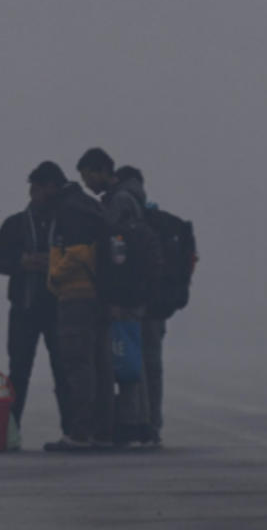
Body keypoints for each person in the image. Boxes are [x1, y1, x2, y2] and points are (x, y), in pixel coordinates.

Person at [0, 161, 68, 430]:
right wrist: (22, 262)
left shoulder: (68, 223)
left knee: (64, 373)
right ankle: (10, 431)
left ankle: (73, 430)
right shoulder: (15, 224)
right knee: (18, 373)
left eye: (51, 189)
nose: (43, 193)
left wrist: (56, 262)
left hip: (60, 310)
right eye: (40, 188)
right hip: (24, 309)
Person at [77, 149, 150, 446]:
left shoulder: (119, 201)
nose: (86, 185)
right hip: (134, 291)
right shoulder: (130, 197)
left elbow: (116, 248)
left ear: (100, 171)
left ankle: (131, 424)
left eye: (87, 177)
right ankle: (141, 422)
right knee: (133, 357)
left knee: (125, 359)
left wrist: (115, 293)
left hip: (124, 294)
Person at [42, 171, 111, 451]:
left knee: (77, 364)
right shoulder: (89, 204)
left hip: (76, 295)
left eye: (36, 190)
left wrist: (54, 274)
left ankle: (80, 433)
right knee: (100, 365)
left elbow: (79, 251)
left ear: (48, 185)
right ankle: (103, 431)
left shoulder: (70, 209)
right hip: (99, 295)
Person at [116, 165, 169, 447]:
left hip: (136, 302)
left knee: (133, 365)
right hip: (156, 302)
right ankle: (153, 424)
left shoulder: (123, 204)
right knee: (152, 364)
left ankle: (139, 422)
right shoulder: (148, 210)